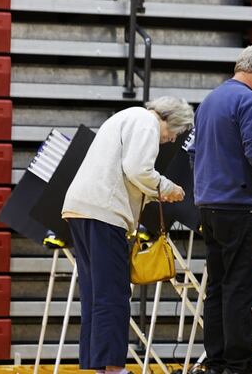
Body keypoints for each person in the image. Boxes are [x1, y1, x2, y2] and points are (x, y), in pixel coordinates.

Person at [62, 97, 193, 374]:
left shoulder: (126, 116)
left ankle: (98, 366)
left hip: (81, 210)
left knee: (95, 293)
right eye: (174, 133)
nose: (170, 141)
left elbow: (126, 171)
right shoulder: (146, 122)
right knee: (114, 293)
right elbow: (138, 169)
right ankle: (113, 368)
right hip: (104, 213)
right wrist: (168, 187)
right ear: (170, 120)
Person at [189, 44, 252, 374]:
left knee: (217, 287)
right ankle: (239, 364)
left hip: (209, 204)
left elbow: (194, 153)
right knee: (241, 287)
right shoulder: (249, 101)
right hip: (242, 205)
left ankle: (217, 361)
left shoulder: (210, 100)